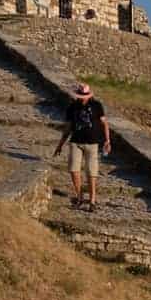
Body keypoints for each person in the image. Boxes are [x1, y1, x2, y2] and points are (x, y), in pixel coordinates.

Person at [54, 83, 111, 213]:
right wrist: (60, 144)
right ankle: (79, 197)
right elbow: (68, 128)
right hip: (76, 142)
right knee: (74, 169)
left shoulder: (96, 106)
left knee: (91, 172)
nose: (82, 99)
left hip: (92, 143)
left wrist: (107, 140)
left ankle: (92, 201)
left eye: (84, 96)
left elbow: (104, 123)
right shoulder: (72, 107)